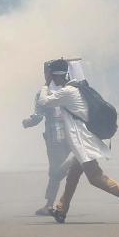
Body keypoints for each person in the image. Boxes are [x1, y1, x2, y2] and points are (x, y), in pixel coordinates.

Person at [36, 59, 119, 223]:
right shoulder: (78, 87)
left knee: (95, 177)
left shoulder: (67, 92)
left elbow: (43, 102)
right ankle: (61, 209)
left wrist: (45, 84)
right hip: (84, 139)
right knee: (73, 175)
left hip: (82, 141)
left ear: (54, 76)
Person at [23, 61, 72, 215]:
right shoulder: (70, 88)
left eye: (46, 72)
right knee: (61, 169)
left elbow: (38, 116)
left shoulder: (44, 92)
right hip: (68, 136)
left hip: (57, 137)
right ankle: (54, 203)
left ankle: (51, 204)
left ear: (50, 73)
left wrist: (28, 122)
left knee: (56, 170)